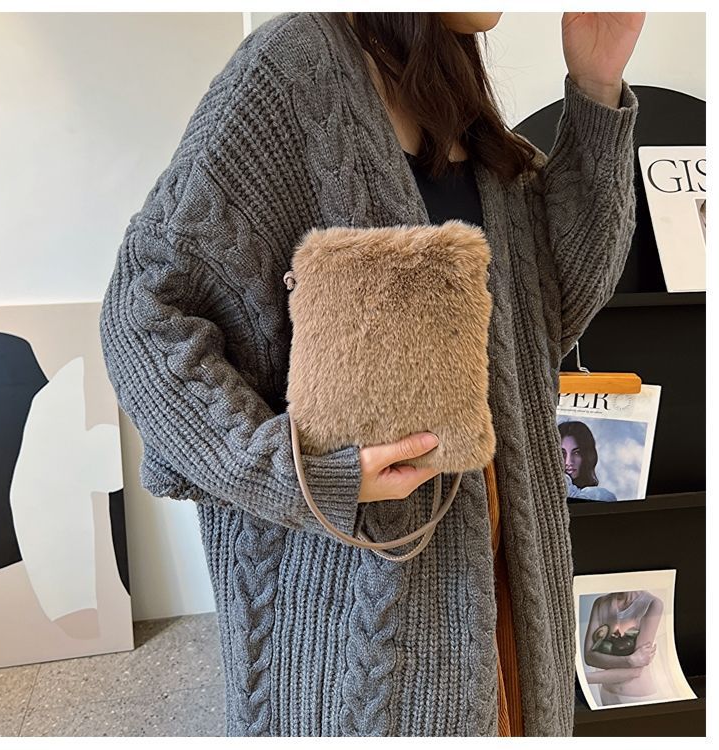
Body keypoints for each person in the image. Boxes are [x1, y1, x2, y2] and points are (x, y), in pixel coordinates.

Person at [99, 11, 644, 737]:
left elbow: (551, 311)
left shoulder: (454, 99)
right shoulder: (292, 69)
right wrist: (297, 473)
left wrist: (598, 83)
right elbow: (141, 313)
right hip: (350, 616)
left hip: (507, 577)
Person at [582, 590, 663, 706]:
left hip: (639, 699)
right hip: (606, 695)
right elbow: (589, 657)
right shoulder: (600, 603)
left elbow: (635, 671)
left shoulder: (652, 604)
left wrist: (585, 679)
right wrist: (629, 660)